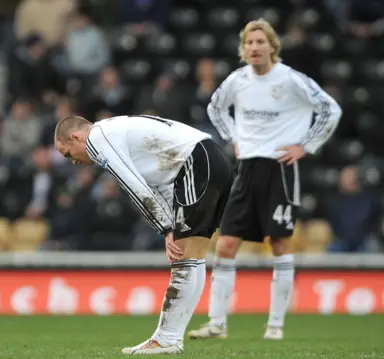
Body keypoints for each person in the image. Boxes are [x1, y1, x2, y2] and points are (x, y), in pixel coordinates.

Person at [188, 18, 342, 341]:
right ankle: (217, 324)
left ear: (273, 46)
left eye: (260, 42)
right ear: (243, 50)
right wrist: (232, 137)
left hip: (279, 168)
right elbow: (216, 107)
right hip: (245, 169)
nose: (254, 48)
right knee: (227, 244)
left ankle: (275, 325)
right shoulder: (238, 80)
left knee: (280, 243)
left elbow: (330, 109)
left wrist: (306, 145)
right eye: (249, 43)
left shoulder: (290, 79)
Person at [54, 114, 234, 355]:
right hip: (209, 158)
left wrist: (166, 229)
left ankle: (167, 339)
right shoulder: (118, 133)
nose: (72, 162)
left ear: (76, 137)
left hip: (197, 163)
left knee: (184, 257)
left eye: (68, 153)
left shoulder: (98, 138)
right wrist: (170, 226)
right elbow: (157, 185)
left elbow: (133, 186)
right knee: (192, 256)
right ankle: (169, 338)